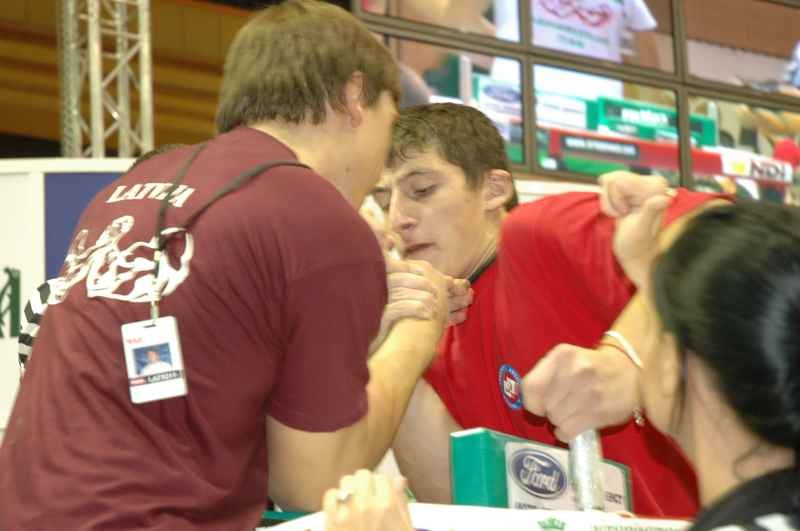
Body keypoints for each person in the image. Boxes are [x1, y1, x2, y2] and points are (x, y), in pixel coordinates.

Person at [0, 2, 457, 529]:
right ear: (355, 97)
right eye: (390, 121)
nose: (382, 158)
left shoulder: (124, 194)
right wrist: (418, 334)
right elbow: (313, 483)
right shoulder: (315, 214)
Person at [379, 102, 727, 517]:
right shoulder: (434, 334)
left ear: (493, 189)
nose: (397, 218)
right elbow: (461, 506)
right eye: (385, 200)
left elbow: (724, 226)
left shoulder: (540, 232)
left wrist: (624, 357)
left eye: (422, 190)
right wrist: (392, 350)